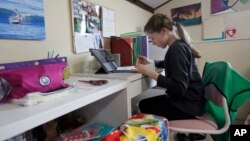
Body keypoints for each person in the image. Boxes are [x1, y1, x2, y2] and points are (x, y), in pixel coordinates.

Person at [135, 13, 206, 121]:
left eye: (152, 38)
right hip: (191, 102)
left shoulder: (176, 49)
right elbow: (170, 63)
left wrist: (152, 73)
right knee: (144, 103)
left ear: (163, 31)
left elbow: (179, 87)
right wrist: (151, 62)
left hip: (187, 106)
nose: (153, 43)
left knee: (143, 106)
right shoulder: (179, 45)